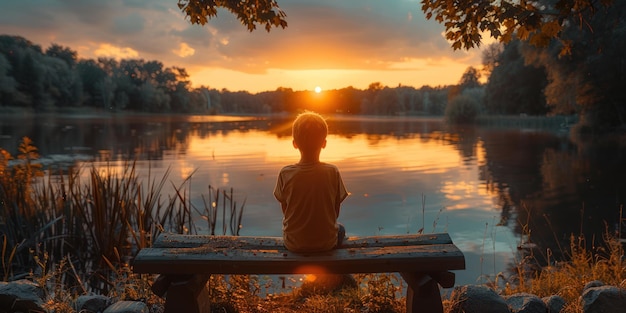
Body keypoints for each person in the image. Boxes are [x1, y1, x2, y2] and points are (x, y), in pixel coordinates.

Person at [273, 111, 349, 253]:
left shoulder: (285, 173)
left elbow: (286, 210)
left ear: (294, 144)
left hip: (293, 244)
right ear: (324, 143)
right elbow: (335, 211)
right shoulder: (332, 172)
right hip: (326, 244)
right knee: (341, 228)